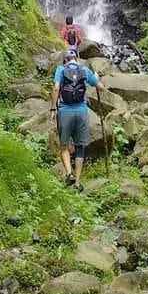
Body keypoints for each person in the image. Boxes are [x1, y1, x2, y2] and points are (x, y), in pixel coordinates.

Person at [51, 46, 101, 188]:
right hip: (81, 111)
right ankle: (78, 183)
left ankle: (69, 174)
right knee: (80, 147)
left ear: (64, 60)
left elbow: (55, 88)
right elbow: (100, 86)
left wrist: (53, 109)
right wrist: (96, 78)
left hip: (65, 111)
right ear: (77, 59)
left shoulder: (61, 70)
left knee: (64, 146)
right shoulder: (84, 70)